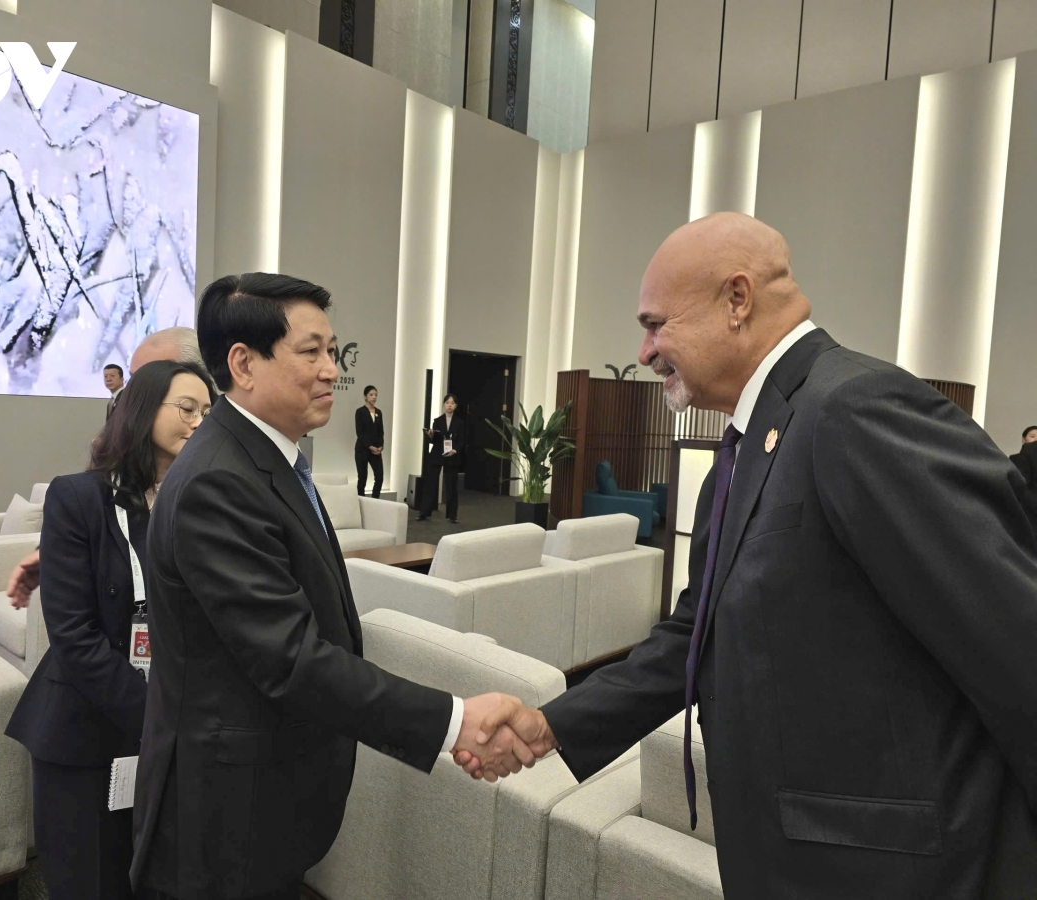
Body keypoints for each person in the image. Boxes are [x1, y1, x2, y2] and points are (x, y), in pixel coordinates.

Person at [460, 213, 1037, 899]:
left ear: (737, 299)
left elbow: (1014, 646)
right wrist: (552, 723)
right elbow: (692, 637)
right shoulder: (741, 451)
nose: (643, 353)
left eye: (656, 325)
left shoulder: (856, 410)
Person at [129, 273, 535, 900]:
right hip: (224, 810)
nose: (331, 370)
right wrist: (455, 721)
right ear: (243, 364)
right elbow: (291, 658)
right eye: (311, 351)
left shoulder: (271, 458)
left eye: (333, 351)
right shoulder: (217, 481)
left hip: (268, 791)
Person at [4, 359, 215, 900]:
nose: (199, 422)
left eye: (207, 412)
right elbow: (74, 636)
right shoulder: (79, 497)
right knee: (90, 880)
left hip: (173, 728)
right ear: (143, 410)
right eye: (186, 408)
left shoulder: (199, 504)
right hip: (88, 725)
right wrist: (159, 718)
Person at [8, 327, 207, 610]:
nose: (136, 392)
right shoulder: (91, 487)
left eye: (152, 376)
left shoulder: (218, 480)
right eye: (134, 378)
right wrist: (60, 548)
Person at [417, 393, 464, 523]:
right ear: (443, 404)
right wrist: (430, 435)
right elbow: (433, 441)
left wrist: (455, 450)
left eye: (452, 403)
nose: (449, 405)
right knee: (430, 483)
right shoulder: (437, 421)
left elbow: (461, 441)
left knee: (451, 485)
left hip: (452, 455)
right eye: (447, 403)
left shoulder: (459, 422)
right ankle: (424, 512)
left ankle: (452, 515)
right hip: (437, 454)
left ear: (456, 406)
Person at [354, 384, 385, 497]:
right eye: (371, 395)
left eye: (376, 395)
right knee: (362, 477)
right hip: (362, 450)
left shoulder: (379, 412)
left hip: (376, 451)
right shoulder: (360, 411)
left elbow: (381, 432)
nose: (374, 397)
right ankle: (360, 501)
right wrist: (369, 446)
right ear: (365, 397)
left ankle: (374, 500)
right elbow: (360, 432)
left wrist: (380, 446)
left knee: (379, 476)